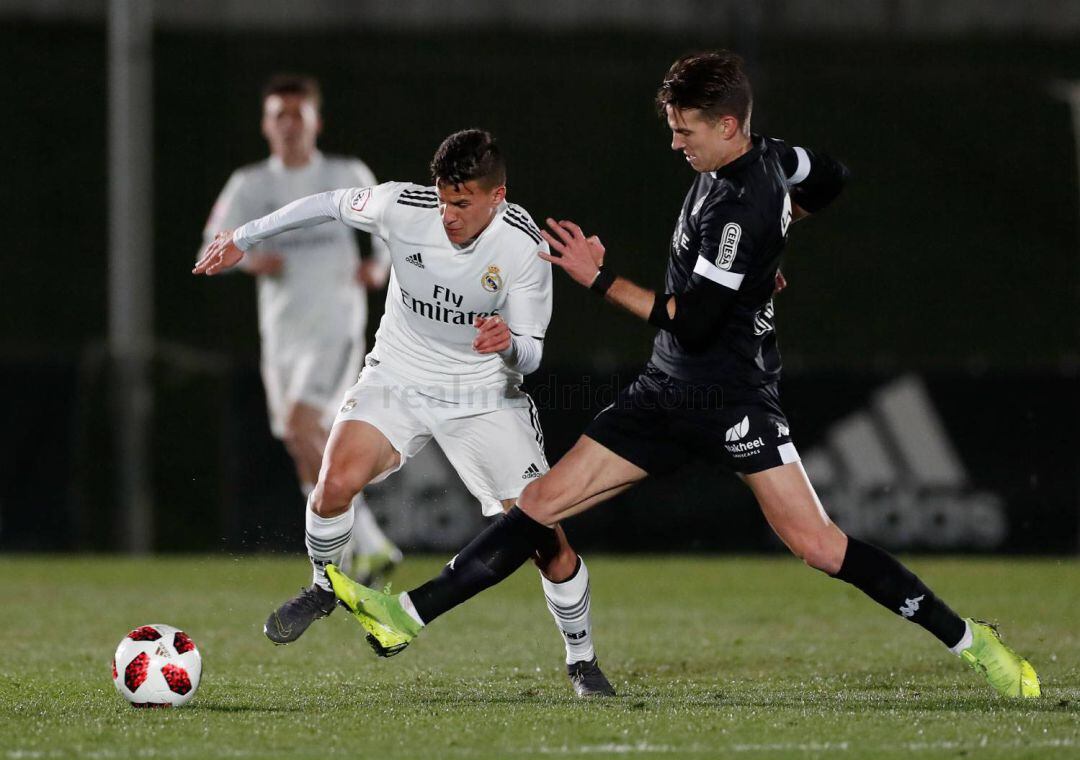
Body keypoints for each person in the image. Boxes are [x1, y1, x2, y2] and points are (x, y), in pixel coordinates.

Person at [324, 50, 1041, 700]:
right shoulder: (772, 160)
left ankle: (974, 643)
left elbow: (692, 321)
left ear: (728, 125)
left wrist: (599, 276)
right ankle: (406, 615)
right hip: (668, 391)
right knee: (540, 501)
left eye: (686, 130)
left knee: (819, 546)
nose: (675, 142)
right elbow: (831, 177)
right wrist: (774, 247)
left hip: (728, 395)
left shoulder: (737, 206)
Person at [195, 129, 616, 697]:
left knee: (544, 539)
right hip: (398, 374)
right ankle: (325, 586)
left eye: (462, 203)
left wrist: (507, 344)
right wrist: (243, 237)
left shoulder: (524, 245)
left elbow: (533, 352)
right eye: (443, 199)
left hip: (482, 394)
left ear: (498, 197)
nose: (448, 215)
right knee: (331, 487)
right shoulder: (403, 206)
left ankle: (581, 658)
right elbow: (326, 204)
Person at [200, 74, 401, 588]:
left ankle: (366, 544)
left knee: (299, 422)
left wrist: (378, 269)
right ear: (266, 125)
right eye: (278, 115)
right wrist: (247, 262)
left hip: (334, 324)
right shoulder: (250, 184)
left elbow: (392, 229)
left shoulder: (343, 171)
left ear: (316, 120)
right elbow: (211, 246)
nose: (289, 123)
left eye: (298, 113)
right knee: (300, 442)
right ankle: (365, 548)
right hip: (282, 334)